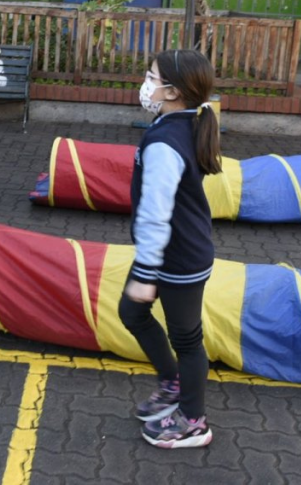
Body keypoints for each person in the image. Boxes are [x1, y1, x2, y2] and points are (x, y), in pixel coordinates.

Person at [118, 49, 220, 449]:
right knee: (131, 311)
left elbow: (156, 213)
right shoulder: (180, 122)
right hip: (170, 251)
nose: (145, 83)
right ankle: (172, 381)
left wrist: (146, 272)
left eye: (150, 76)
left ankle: (194, 421)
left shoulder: (167, 141)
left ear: (173, 91)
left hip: (178, 258)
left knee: (188, 340)